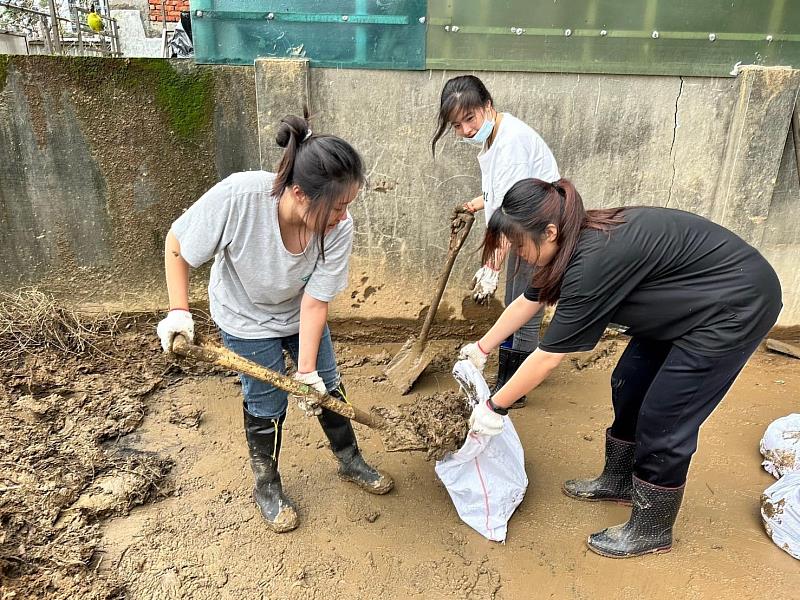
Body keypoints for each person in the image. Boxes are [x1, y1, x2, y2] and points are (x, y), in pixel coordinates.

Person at [458, 178, 782, 557]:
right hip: (683, 303)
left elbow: (547, 356)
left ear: (548, 231)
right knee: (628, 383)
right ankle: (620, 481)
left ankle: (651, 529)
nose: (516, 252)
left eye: (518, 244)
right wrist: (481, 348)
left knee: (666, 416)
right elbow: (528, 302)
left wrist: (495, 408)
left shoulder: (592, 261)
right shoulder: (567, 245)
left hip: (733, 306)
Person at [156, 113, 393, 533]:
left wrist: (305, 373)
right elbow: (179, 244)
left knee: (327, 384)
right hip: (244, 316)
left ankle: (350, 459)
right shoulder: (240, 197)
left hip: (298, 311)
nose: (343, 216)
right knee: (266, 402)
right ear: (300, 194)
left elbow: (315, 303)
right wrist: (179, 311)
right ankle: (267, 484)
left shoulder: (338, 228)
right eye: (336, 207)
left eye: (347, 206)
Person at [432, 75, 560, 409]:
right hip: (524, 226)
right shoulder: (496, 136)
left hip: (536, 231)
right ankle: (511, 375)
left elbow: (511, 212)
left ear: (488, 106)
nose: (466, 131)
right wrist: (478, 202)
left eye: (470, 119)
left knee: (526, 303)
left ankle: (513, 387)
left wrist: (491, 267)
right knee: (517, 300)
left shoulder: (510, 142)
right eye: (457, 126)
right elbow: (501, 190)